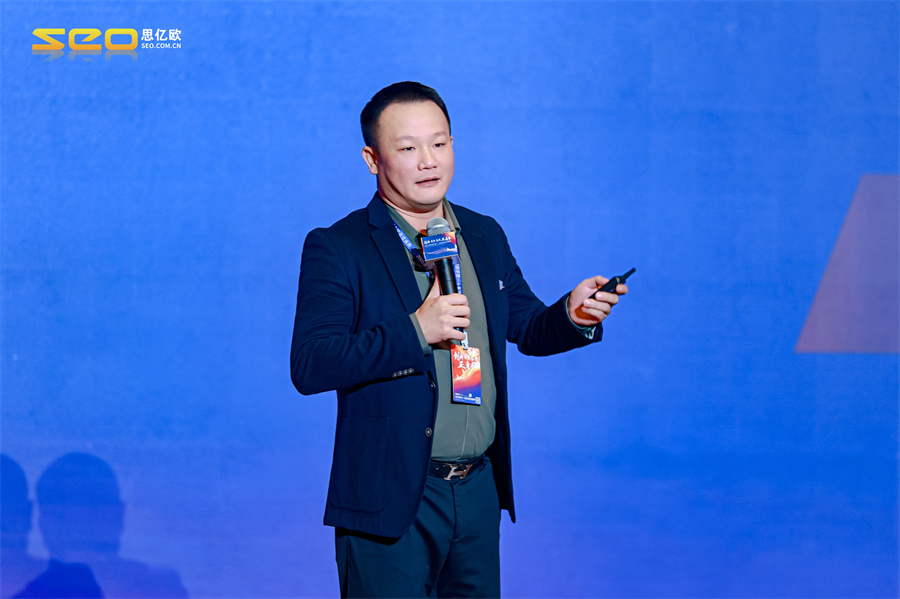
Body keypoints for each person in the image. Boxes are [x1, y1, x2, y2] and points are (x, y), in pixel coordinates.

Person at [290, 81, 627, 598]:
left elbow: (527, 326)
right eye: (408, 148)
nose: (429, 161)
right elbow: (312, 363)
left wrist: (572, 314)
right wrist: (416, 330)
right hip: (391, 498)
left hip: (476, 493)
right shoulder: (339, 247)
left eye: (440, 143)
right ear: (372, 159)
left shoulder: (483, 233)